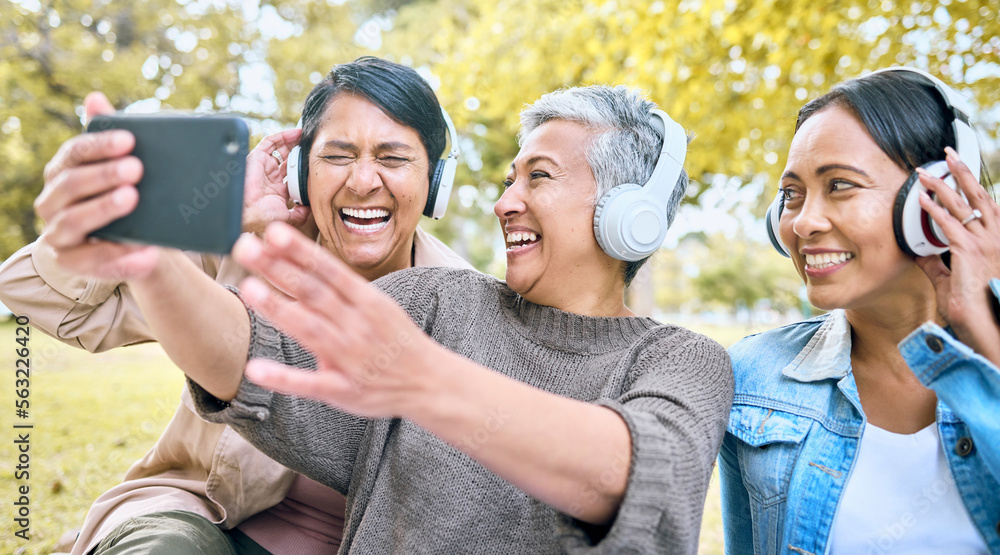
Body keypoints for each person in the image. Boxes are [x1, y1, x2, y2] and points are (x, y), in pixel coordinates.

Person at [47, 84, 733, 552]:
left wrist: (427, 379)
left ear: (627, 216)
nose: (505, 202)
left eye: (539, 177)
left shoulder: (684, 360)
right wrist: (151, 255)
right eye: (507, 180)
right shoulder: (441, 301)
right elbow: (253, 363)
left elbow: (628, 473)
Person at [0, 56, 473, 555]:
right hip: (195, 513)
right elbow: (34, 294)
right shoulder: (242, 248)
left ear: (435, 182)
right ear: (299, 171)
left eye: (393, 158)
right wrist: (217, 214)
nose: (361, 182)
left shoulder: (466, 305)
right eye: (337, 155)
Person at [719, 67, 1000, 555]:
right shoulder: (751, 377)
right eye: (791, 194)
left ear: (935, 198)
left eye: (840, 185)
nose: (804, 222)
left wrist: (985, 337)